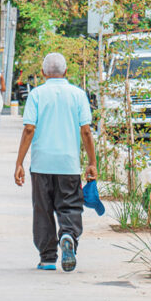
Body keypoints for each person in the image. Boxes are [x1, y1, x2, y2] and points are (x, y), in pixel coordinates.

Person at [13, 52, 97, 272]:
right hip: (68, 164)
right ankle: (68, 235)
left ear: (42, 73)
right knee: (70, 206)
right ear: (66, 72)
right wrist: (91, 162)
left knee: (43, 209)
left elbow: (29, 129)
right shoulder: (78, 95)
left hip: (41, 164)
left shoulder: (37, 95)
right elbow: (86, 131)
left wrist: (19, 163)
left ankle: (48, 257)